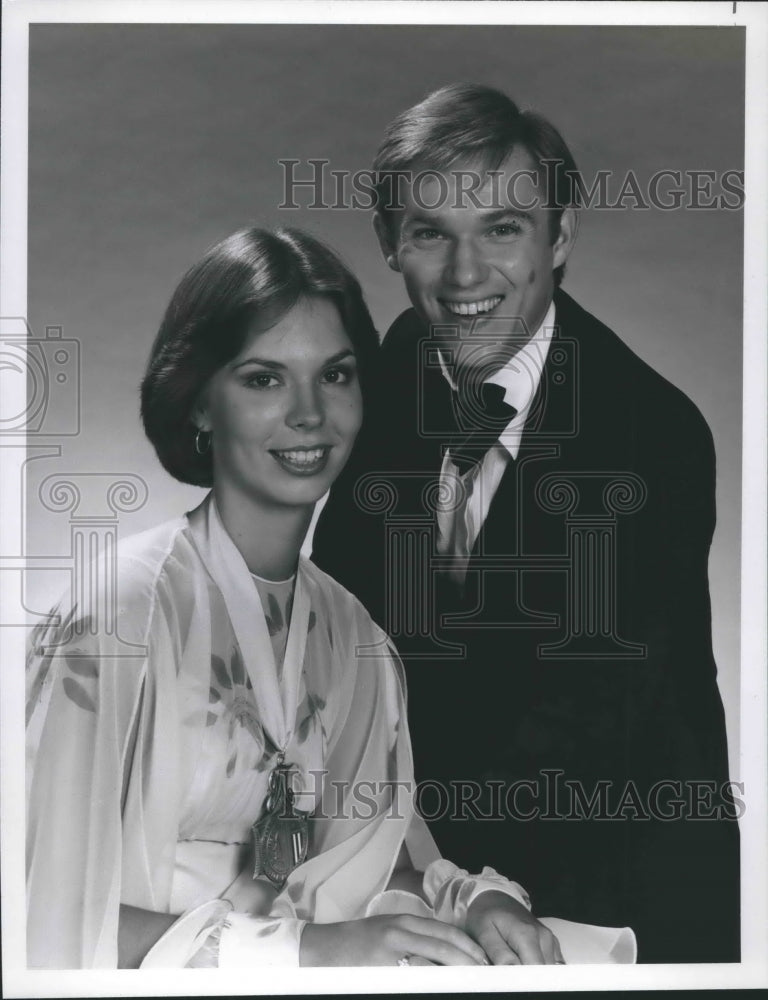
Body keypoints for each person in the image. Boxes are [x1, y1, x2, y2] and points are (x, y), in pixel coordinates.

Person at [26, 226, 585, 970]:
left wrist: (475, 902)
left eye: (336, 375)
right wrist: (306, 952)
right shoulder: (118, 612)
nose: (309, 414)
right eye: (263, 378)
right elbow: (34, 911)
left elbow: (360, 870)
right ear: (198, 404)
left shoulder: (355, 638)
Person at [312, 83, 740, 963]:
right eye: (433, 233)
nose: (467, 278)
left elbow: (585, 717)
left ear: (561, 236)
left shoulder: (651, 437)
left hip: (615, 895)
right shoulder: (396, 364)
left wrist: (456, 887)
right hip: (435, 880)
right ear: (392, 243)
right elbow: (346, 619)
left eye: (503, 229)